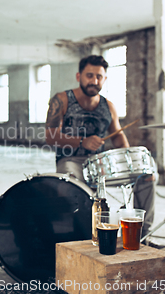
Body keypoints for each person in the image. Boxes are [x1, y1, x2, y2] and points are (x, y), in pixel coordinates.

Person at [45, 55, 157, 240]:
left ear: (104, 79)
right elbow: (49, 136)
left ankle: (143, 236)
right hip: (70, 160)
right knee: (72, 181)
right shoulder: (62, 99)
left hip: (100, 163)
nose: (94, 81)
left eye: (99, 77)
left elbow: (119, 136)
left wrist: (130, 161)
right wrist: (82, 141)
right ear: (78, 76)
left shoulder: (109, 106)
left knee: (147, 175)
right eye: (89, 75)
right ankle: (80, 235)